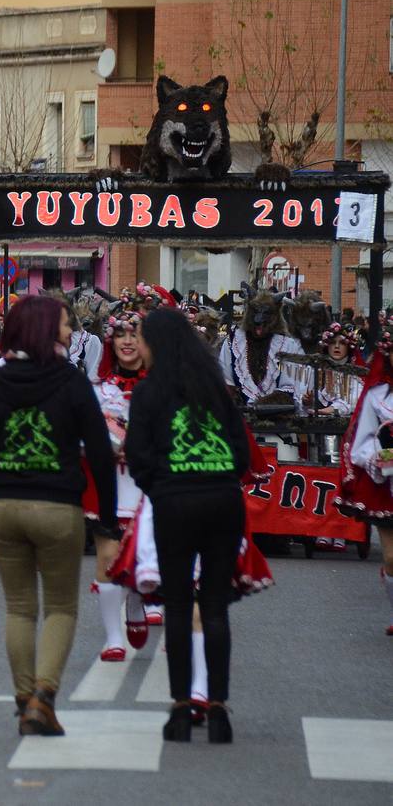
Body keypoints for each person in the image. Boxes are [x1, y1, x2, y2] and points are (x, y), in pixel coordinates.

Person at [0, 295, 117, 736]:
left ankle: (23, 695)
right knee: (61, 607)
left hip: (4, 508)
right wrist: (107, 520)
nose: (70, 331)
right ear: (47, 330)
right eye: (64, 324)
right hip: (58, 506)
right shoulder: (71, 381)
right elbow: (100, 452)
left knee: (19, 608)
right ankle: (44, 697)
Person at [125, 307, 252, 744]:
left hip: (174, 502)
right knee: (214, 607)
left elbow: (138, 456)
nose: (139, 347)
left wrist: (161, 487)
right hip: (223, 500)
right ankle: (218, 708)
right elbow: (242, 454)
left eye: (142, 338)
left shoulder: (149, 392)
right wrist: (219, 477)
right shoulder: (215, 388)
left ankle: (181, 708)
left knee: (178, 606)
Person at [88, 310, 153, 662]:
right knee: (109, 555)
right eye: (120, 335)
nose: (127, 341)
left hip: (149, 485)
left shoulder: (162, 387)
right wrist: (104, 442)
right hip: (110, 483)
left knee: (142, 555)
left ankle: (137, 603)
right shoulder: (99, 389)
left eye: (134, 334)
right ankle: (113, 638)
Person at [337, 316, 393, 637]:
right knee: (391, 557)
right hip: (386, 485)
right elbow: (361, 443)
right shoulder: (376, 395)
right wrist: (380, 457)